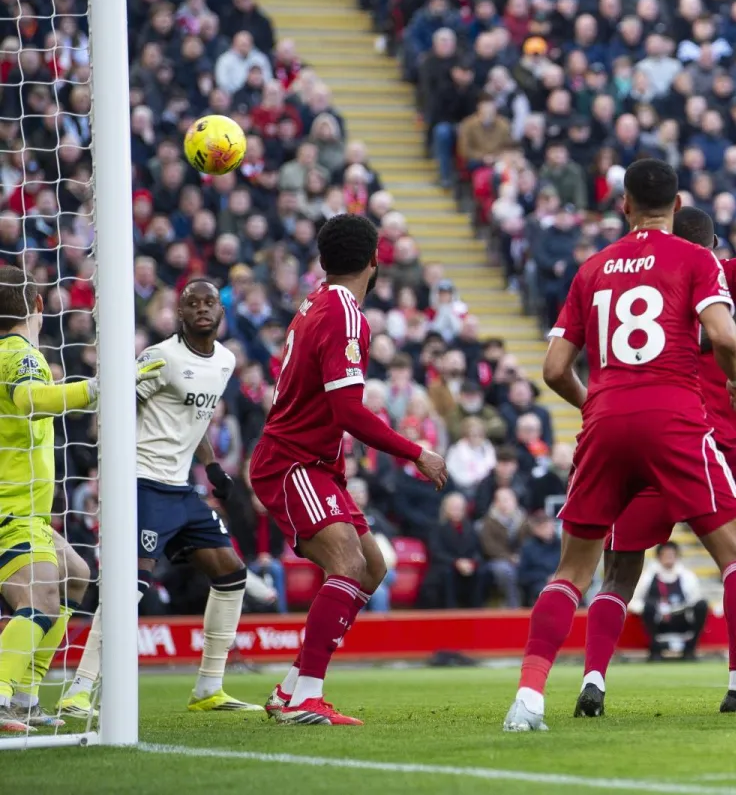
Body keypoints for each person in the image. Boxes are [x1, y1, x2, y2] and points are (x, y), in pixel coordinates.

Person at [502, 158, 736, 731]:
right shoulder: (695, 257)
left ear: (623, 204)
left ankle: (528, 700)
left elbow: (552, 369)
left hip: (605, 418)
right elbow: (722, 335)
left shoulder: (592, 268)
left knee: (572, 571)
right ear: (676, 203)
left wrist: (593, 405)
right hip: (672, 415)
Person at [575, 206, 736, 717]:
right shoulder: (713, 271)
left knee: (618, 574)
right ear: (712, 244)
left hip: (637, 441)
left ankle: (594, 680)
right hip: (704, 445)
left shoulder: (633, 279)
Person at [250, 214, 448, 726]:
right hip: (293, 461)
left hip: (316, 463)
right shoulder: (343, 312)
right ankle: (305, 697)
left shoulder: (316, 302)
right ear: (374, 259)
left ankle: (290, 688)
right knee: (347, 563)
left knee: (373, 565)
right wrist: (415, 451)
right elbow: (349, 412)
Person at [59, 279, 260, 719]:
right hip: (141, 482)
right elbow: (116, 408)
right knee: (129, 587)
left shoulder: (225, 361)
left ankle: (209, 687)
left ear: (220, 313)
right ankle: (79, 689)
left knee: (231, 574)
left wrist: (209, 467)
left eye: (210, 302)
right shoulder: (160, 357)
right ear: (180, 314)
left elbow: (197, 418)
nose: (203, 309)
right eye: (193, 303)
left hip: (181, 487)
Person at [0, 267, 157, 733]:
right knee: (44, 596)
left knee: (75, 576)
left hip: (25, 508)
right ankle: (4, 693)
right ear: (40, 307)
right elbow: (31, 399)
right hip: (12, 508)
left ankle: (26, 696)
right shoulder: (19, 353)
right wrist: (96, 388)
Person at [629, 543, 708, 661]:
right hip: (658, 620)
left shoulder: (687, 576)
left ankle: (690, 650)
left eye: (672, 554)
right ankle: (655, 651)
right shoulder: (647, 576)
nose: (669, 557)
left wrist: (679, 609)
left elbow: (695, 599)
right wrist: (655, 610)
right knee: (649, 607)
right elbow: (633, 602)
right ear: (659, 557)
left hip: (681, 618)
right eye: (665, 555)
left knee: (702, 605)